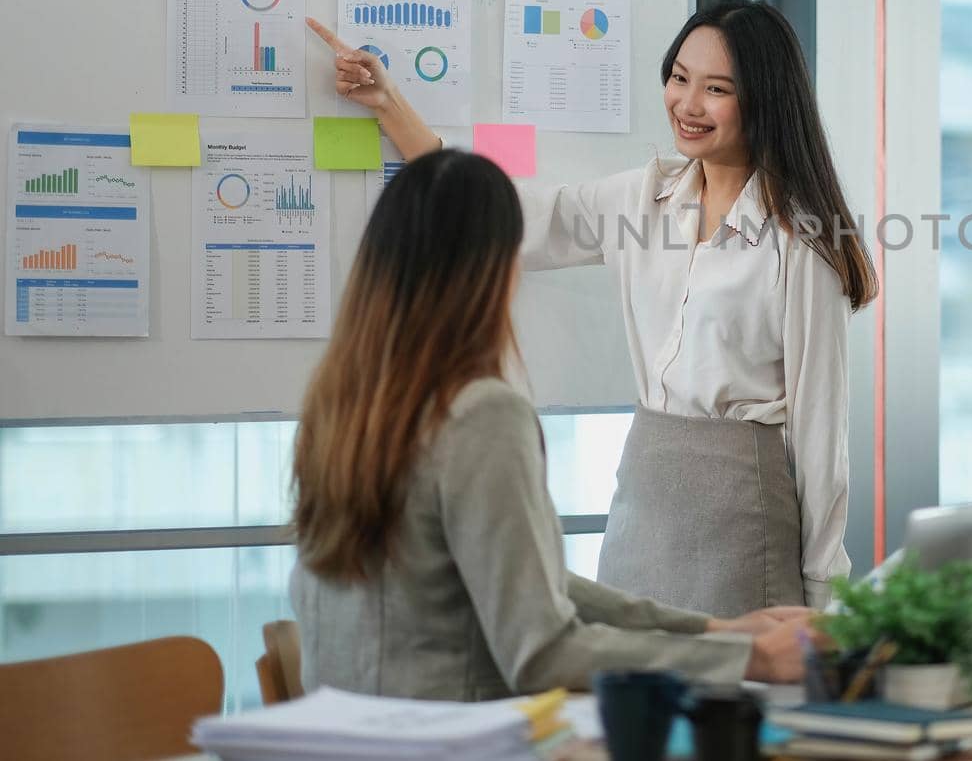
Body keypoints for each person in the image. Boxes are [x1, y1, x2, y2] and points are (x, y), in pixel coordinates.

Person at [307, 0, 874, 619]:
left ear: (764, 100)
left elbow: (822, 432)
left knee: (732, 703)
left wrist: (823, 593)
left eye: (716, 89)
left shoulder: (802, 242)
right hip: (643, 498)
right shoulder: (640, 198)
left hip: (745, 513)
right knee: (623, 696)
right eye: (679, 78)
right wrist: (391, 107)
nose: (687, 104)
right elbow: (508, 216)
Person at [290, 148, 812, 700]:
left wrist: (714, 628)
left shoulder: (338, 407)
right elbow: (543, 654)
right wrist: (748, 658)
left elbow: (521, 579)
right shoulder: (479, 416)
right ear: (489, 272)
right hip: (447, 734)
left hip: (346, 732)